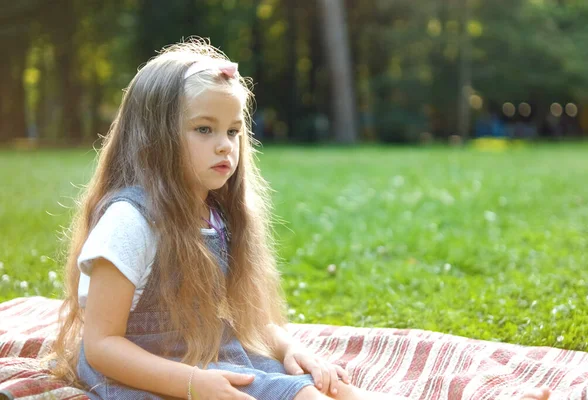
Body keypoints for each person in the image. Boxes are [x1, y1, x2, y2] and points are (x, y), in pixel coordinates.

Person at [48, 39, 551, 400]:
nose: (226, 145)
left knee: (320, 386)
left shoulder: (216, 214)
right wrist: (193, 384)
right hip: (147, 371)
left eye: (233, 130)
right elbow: (104, 345)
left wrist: (293, 350)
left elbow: (242, 322)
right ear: (153, 137)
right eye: (204, 129)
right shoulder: (130, 222)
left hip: (208, 356)